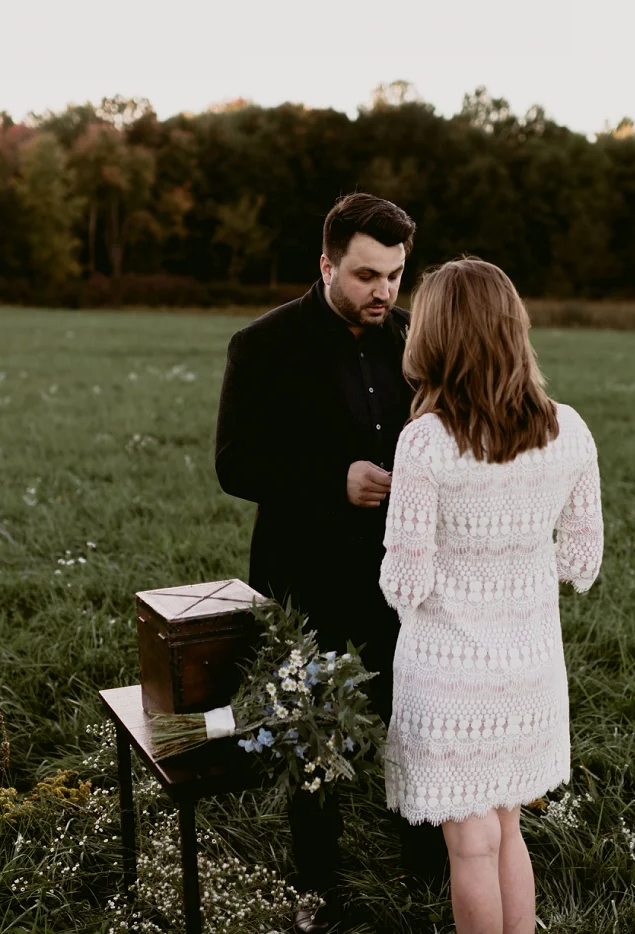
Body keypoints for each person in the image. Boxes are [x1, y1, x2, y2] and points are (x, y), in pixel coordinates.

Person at [214, 192, 448, 932]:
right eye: (366, 275)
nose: (384, 292)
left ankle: (423, 847)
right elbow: (236, 464)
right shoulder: (262, 345)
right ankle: (319, 874)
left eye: (396, 274)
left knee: (408, 710)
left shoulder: (415, 338)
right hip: (303, 571)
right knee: (311, 726)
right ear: (325, 264)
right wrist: (332, 480)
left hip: (397, 573)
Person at [378, 258, 604, 934]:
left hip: (451, 680)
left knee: (470, 845)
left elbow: (403, 583)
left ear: (435, 338)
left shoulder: (425, 443)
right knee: (507, 826)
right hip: (531, 672)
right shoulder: (568, 429)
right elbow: (581, 556)